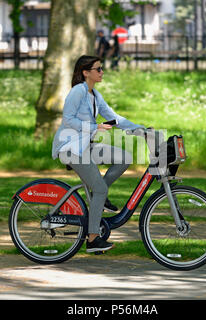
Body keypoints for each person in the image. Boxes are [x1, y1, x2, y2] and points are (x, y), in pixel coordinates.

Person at [51, 55, 143, 253]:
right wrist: (94, 127)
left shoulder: (94, 95)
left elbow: (114, 118)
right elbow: (68, 120)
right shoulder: (78, 91)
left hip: (85, 146)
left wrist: (140, 129)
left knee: (124, 158)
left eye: (102, 69)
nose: (102, 72)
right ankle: (93, 238)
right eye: (98, 69)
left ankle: (98, 195)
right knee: (100, 189)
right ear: (86, 72)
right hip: (71, 148)